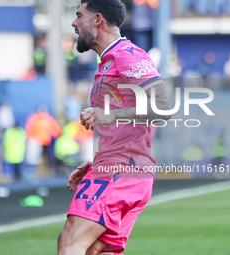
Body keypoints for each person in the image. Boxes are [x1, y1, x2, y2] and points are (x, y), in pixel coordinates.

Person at [57, 1, 172, 254]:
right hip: (120, 168)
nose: (74, 23)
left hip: (122, 171)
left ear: (97, 20)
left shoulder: (127, 56)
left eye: (79, 16)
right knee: (93, 250)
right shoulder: (109, 61)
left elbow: (163, 107)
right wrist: (98, 161)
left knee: (70, 242)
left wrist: (107, 115)